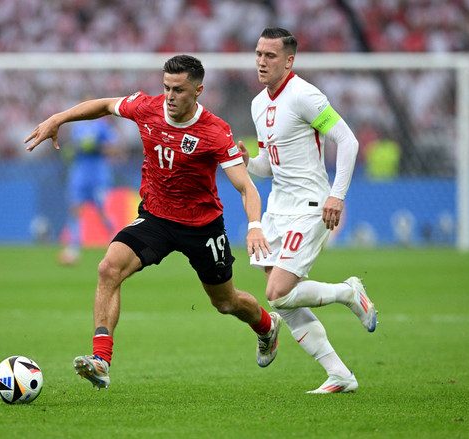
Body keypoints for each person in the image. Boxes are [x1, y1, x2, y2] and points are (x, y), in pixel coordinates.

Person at [25, 54, 281, 390]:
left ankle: (266, 327)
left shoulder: (215, 131)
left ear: (198, 90)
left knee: (225, 302)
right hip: (156, 218)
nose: (171, 96)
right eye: (166, 87)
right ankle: (100, 360)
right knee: (108, 268)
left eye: (179, 90)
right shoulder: (146, 107)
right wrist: (59, 118)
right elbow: (104, 106)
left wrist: (254, 226)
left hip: (202, 226)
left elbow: (246, 187)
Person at [238, 28, 378, 394]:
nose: (262, 61)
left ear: (289, 60)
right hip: (277, 210)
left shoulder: (305, 95)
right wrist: (248, 162)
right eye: (258, 54)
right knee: (283, 301)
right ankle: (340, 375)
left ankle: (349, 292)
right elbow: (273, 164)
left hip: (311, 206)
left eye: (270, 55)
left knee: (278, 293)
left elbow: (347, 140)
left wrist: (338, 194)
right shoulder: (258, 104)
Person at [58, 114, 125, 265]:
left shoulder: (103, 126)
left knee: (102, 211)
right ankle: (73, 249)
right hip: (79, 175)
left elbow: (116, 149)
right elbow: (69, 150)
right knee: (74, 210)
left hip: (98, 176)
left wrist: (97, 146)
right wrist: (74, 149)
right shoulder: (77, 128)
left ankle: (116, 244)